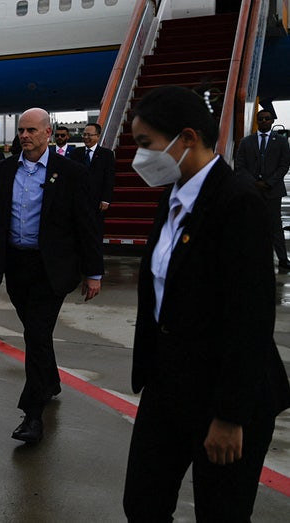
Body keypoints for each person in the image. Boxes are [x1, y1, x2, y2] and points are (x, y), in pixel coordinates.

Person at [122, 85, 290, 522]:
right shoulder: (173, 197)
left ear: (187, 138)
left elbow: (251, 318)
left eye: (146, 145)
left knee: (221, 512)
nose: (140, 158)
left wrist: (230, 416)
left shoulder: (238, 202)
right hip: (168, 386)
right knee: (142, 502)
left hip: (226, 397)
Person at [0, 107, 103, 444]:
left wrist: (94, 272)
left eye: (32, 130)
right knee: (37, 332)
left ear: (48, 133)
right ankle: (51, 381)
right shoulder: (4, 172)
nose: (25, 136)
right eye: (21, 131)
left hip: (52, 268)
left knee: (36, 333)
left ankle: (32, 414)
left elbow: (87, 226)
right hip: (17, 266)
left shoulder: (71, 174)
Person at [234, 108, 290, 269]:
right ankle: (251, 258)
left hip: (273, 191)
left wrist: (270, 182)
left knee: (275, 226)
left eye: (267, 118)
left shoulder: (281, 141)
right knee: (251, 225)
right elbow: (240, 165)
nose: (264, 121)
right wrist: (254, 183)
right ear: (257, 121)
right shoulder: (246, 142)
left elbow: (284, 165)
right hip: (252, 190)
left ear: (272, 121)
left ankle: (282, 259)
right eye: (261, 119)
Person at [69, 122, 116, 237]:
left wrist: (106, 199)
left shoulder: (107, 154)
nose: (86, 137)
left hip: (97, 200)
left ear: (98, 136)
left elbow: (109, 178)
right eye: (84, 135)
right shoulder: (76, 153)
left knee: (96, 230)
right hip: (79, 200)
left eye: (89, 135)